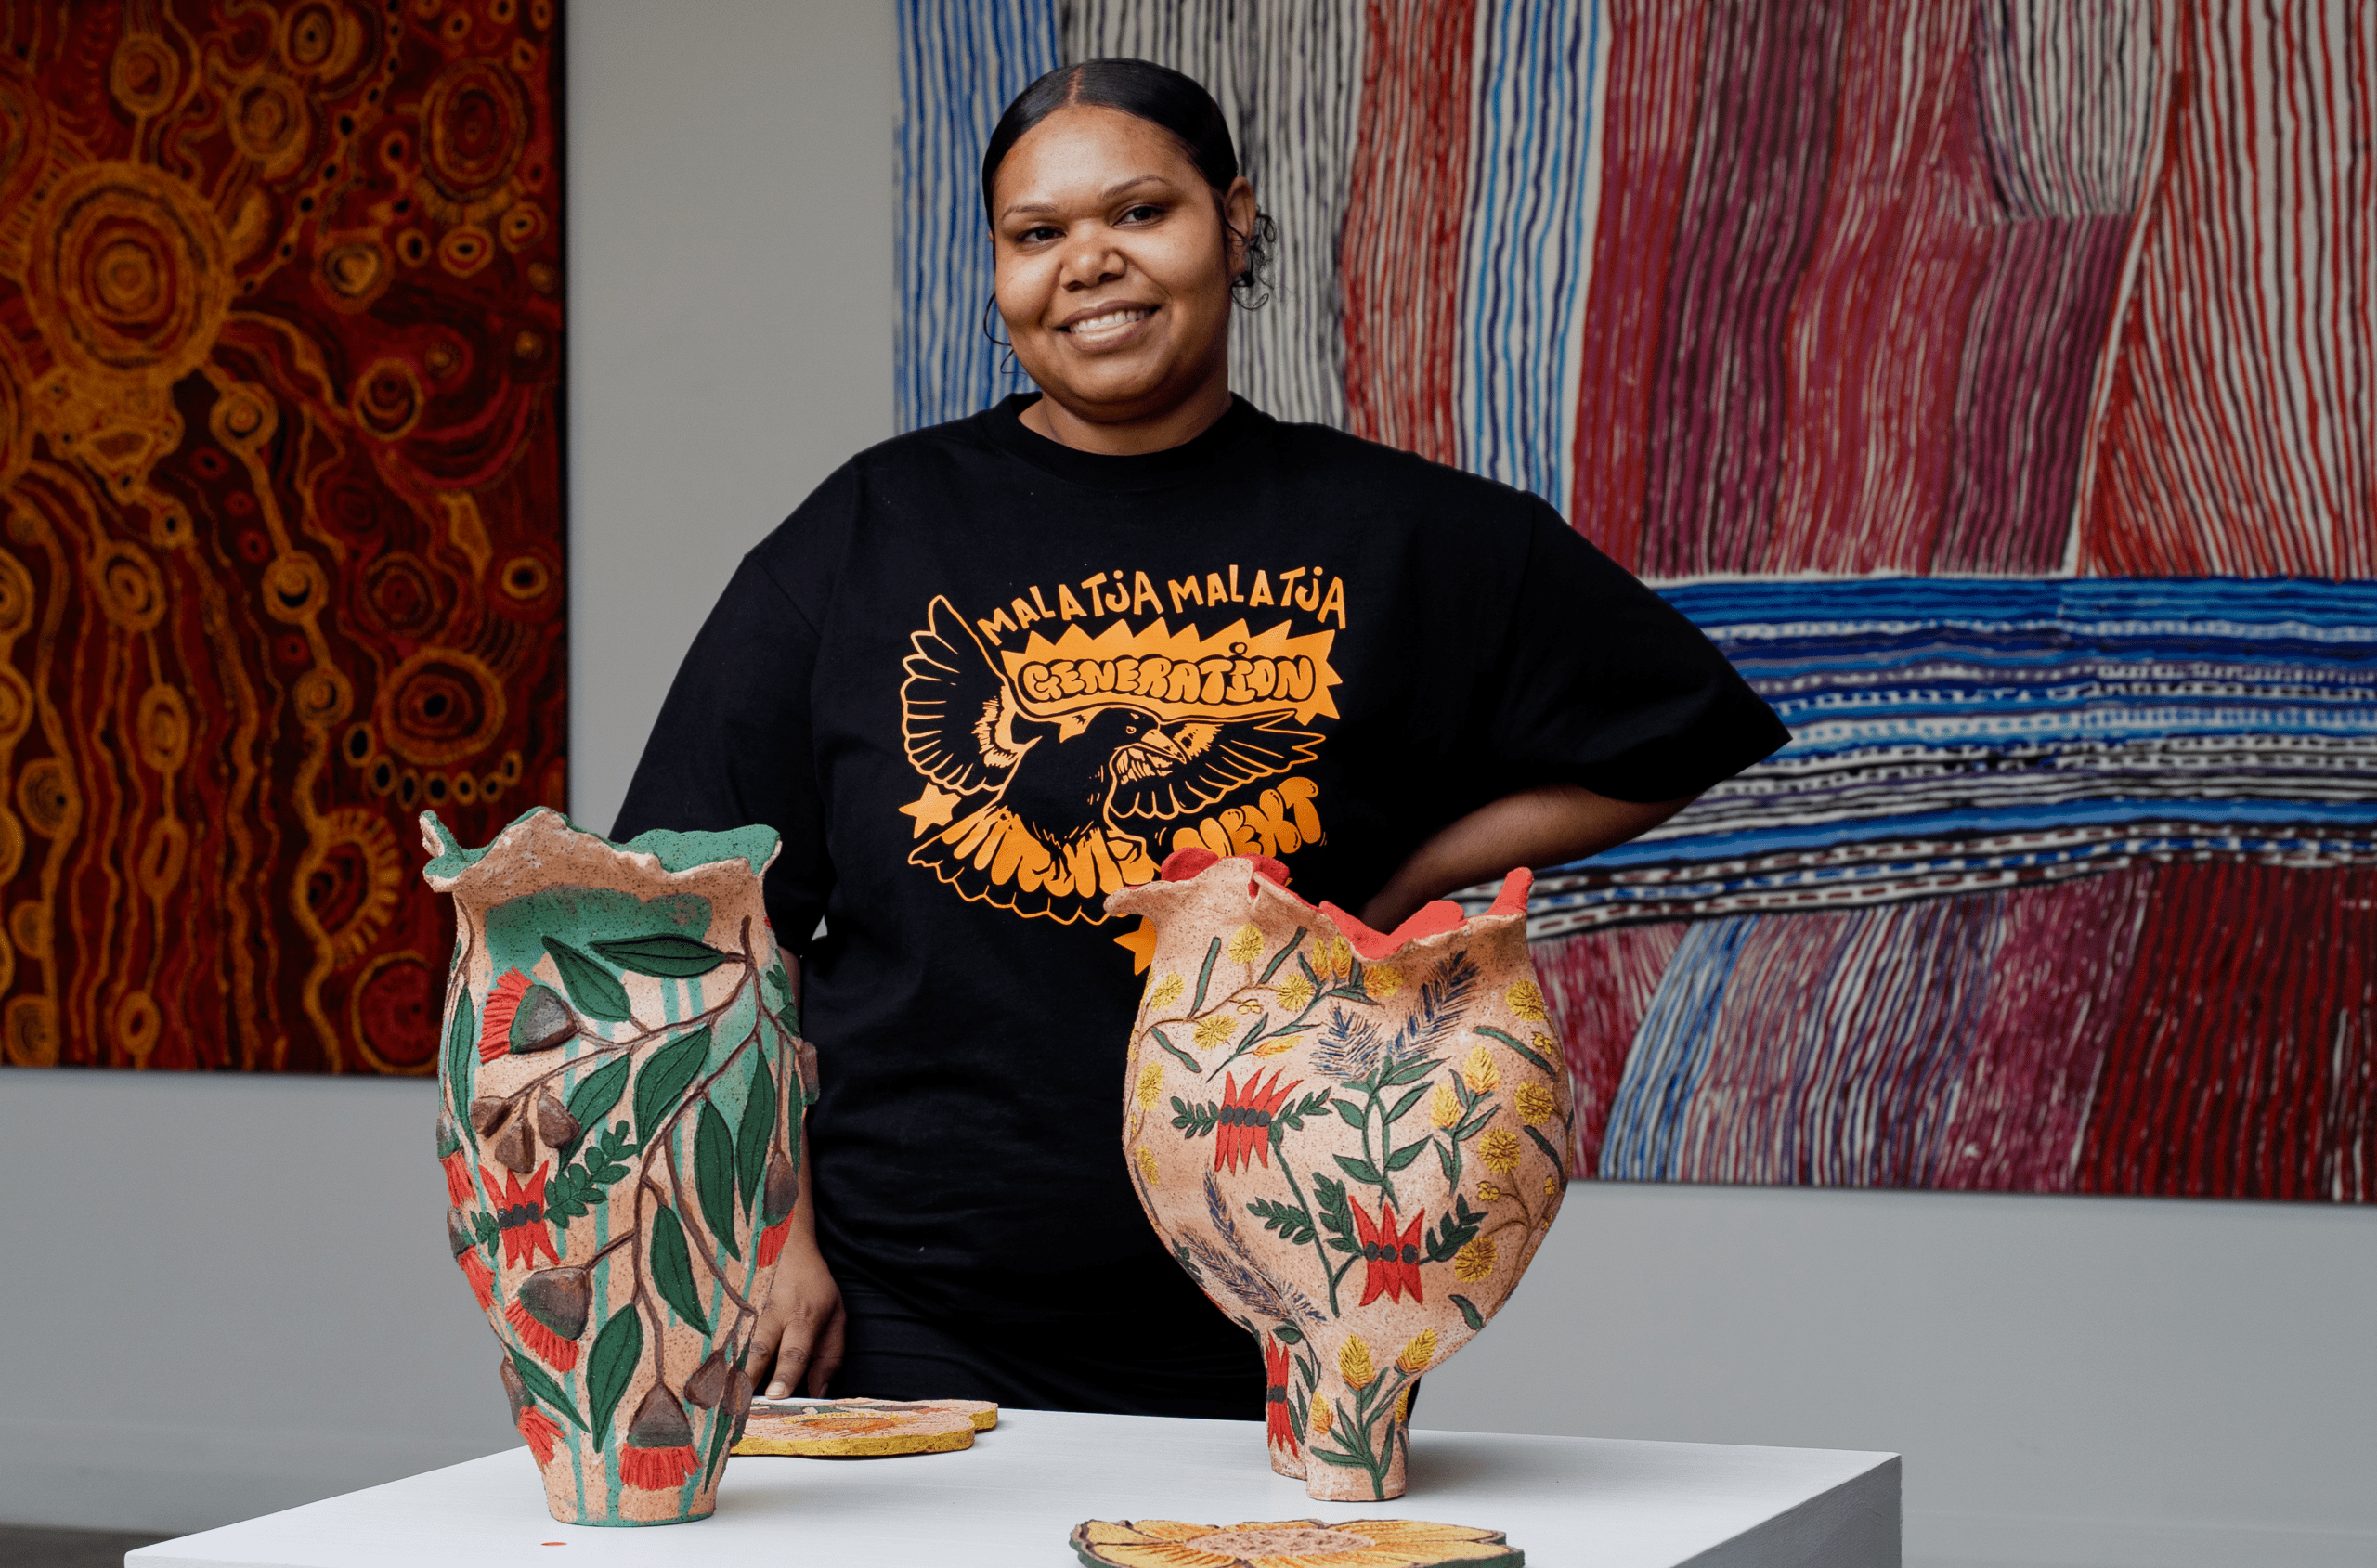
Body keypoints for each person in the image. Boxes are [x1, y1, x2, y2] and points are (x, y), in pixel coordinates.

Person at [610, 58, 1788, 1418]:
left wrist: (1394, 888)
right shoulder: (871, 534)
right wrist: (775, 1234)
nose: (1088, 264)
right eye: (1036, 234)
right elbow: (700, 914)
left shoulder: (1400, 536)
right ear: (998, 272)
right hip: (904, 1295)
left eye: (1139, 213)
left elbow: (1675, 727)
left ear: (1232, 225)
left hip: (1280, 1289)